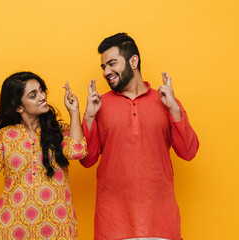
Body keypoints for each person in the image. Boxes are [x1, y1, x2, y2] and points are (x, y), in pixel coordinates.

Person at [81, 33, 199, 240]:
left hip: (161, 223)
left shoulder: (165, 99)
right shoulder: (100, 105)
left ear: (133, 61)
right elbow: (87, 160)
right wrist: (89, 116)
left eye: (111, 64)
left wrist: (173, 107)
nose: (106, 72)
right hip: (113, 224)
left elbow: (188, 152)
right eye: (103, 67)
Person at [0, 71, 87, 240]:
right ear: (19, 107)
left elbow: (77, 151)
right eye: (33, 95)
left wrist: (74, 111)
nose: (42, 96)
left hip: (59, 228)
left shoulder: (59, 130)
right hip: (13, 228)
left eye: (42, 91)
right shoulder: (5, 136)